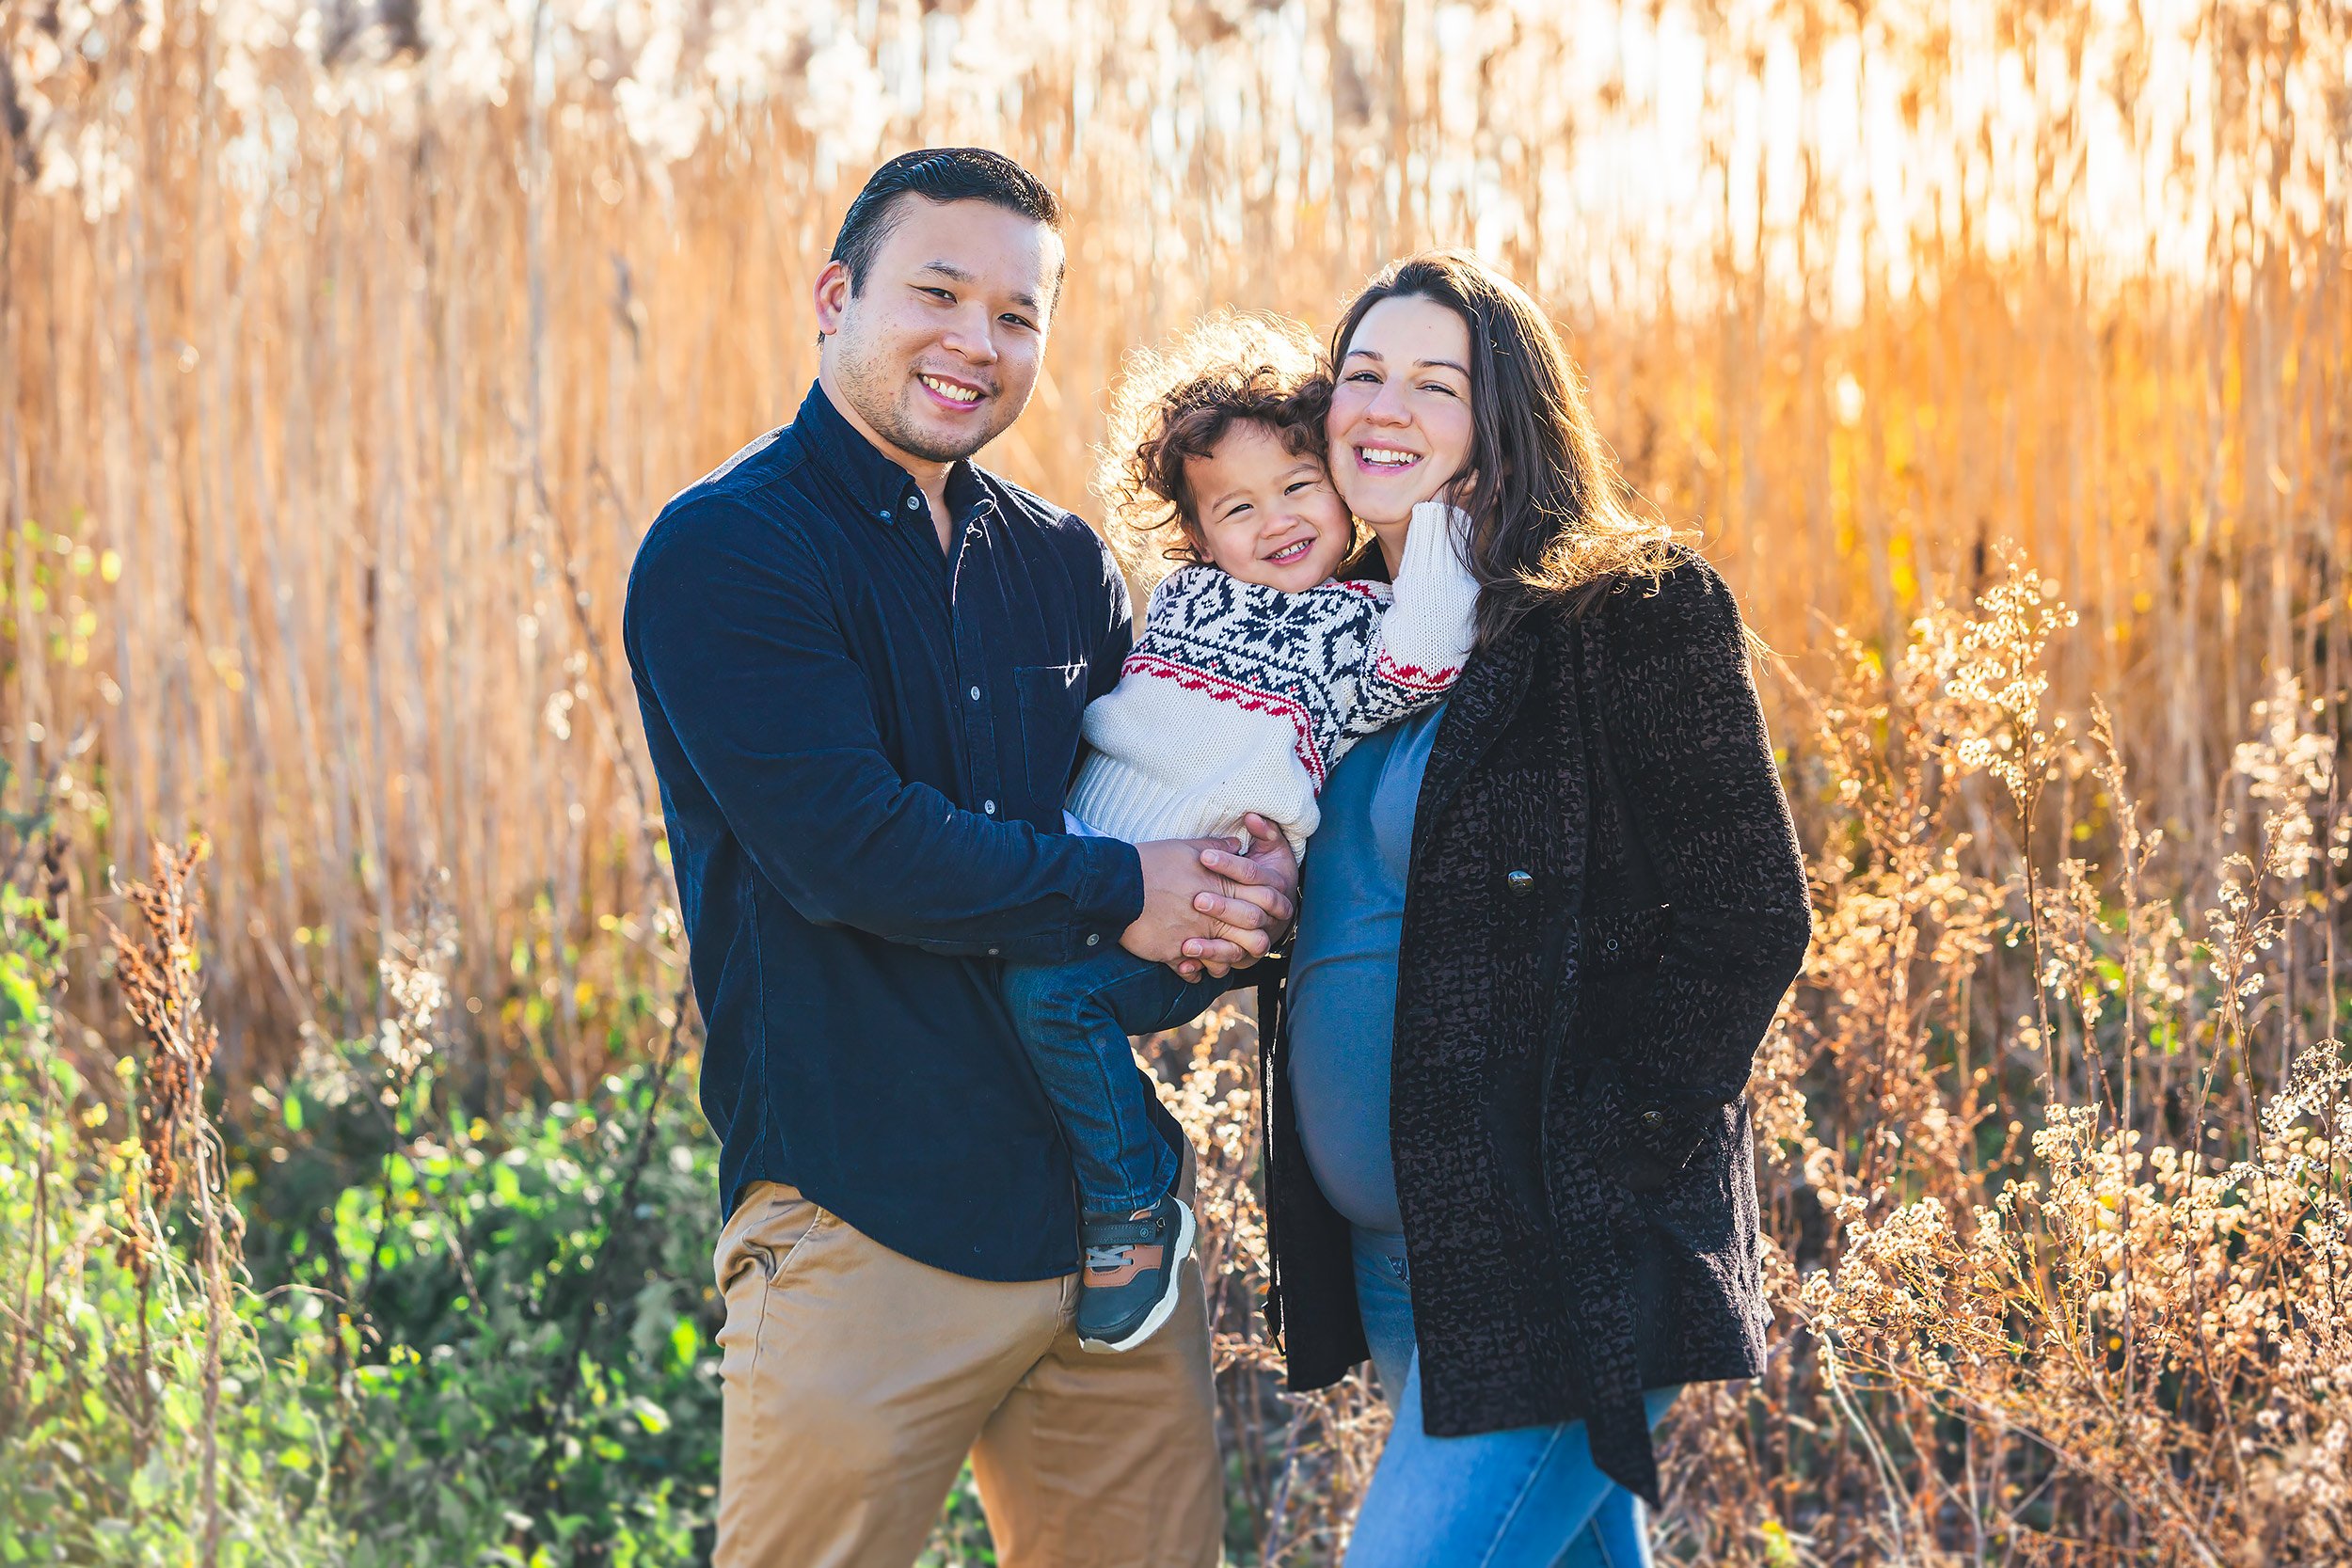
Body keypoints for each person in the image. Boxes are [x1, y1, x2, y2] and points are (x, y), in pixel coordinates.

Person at [623, 148, 1295, 1568]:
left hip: (1106, 1234)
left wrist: (1241, 886)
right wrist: (1134, 891)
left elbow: (1146, 805)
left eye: (1017, 315)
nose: (975, 343)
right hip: (866, 1219)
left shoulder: (1064, 564)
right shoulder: (727, 551)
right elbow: (849, 851)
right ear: (834, 295)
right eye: (938, 292)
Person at [1260, 251, 1814, 1566]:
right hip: (1408, 1264)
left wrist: (1611, 1147)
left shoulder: (1622, 606)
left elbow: (1750, 908)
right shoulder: (1342, 642)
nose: (1382, 409)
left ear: (1505, 416)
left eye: (1434, 384)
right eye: (1362, 374)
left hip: (1560, 1247)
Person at [1003, 324, 1479, 1354]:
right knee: (1007, 984)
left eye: (1300, 487)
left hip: (1202, 909)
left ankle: (1134, 1197)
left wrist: (1433, 509)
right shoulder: (1176, 602)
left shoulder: (1357, 622)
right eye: (1237, 507)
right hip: (1087, 864)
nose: (1275, 522)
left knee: (1047, 1000)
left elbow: (1429, 657)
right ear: (1196, 535)